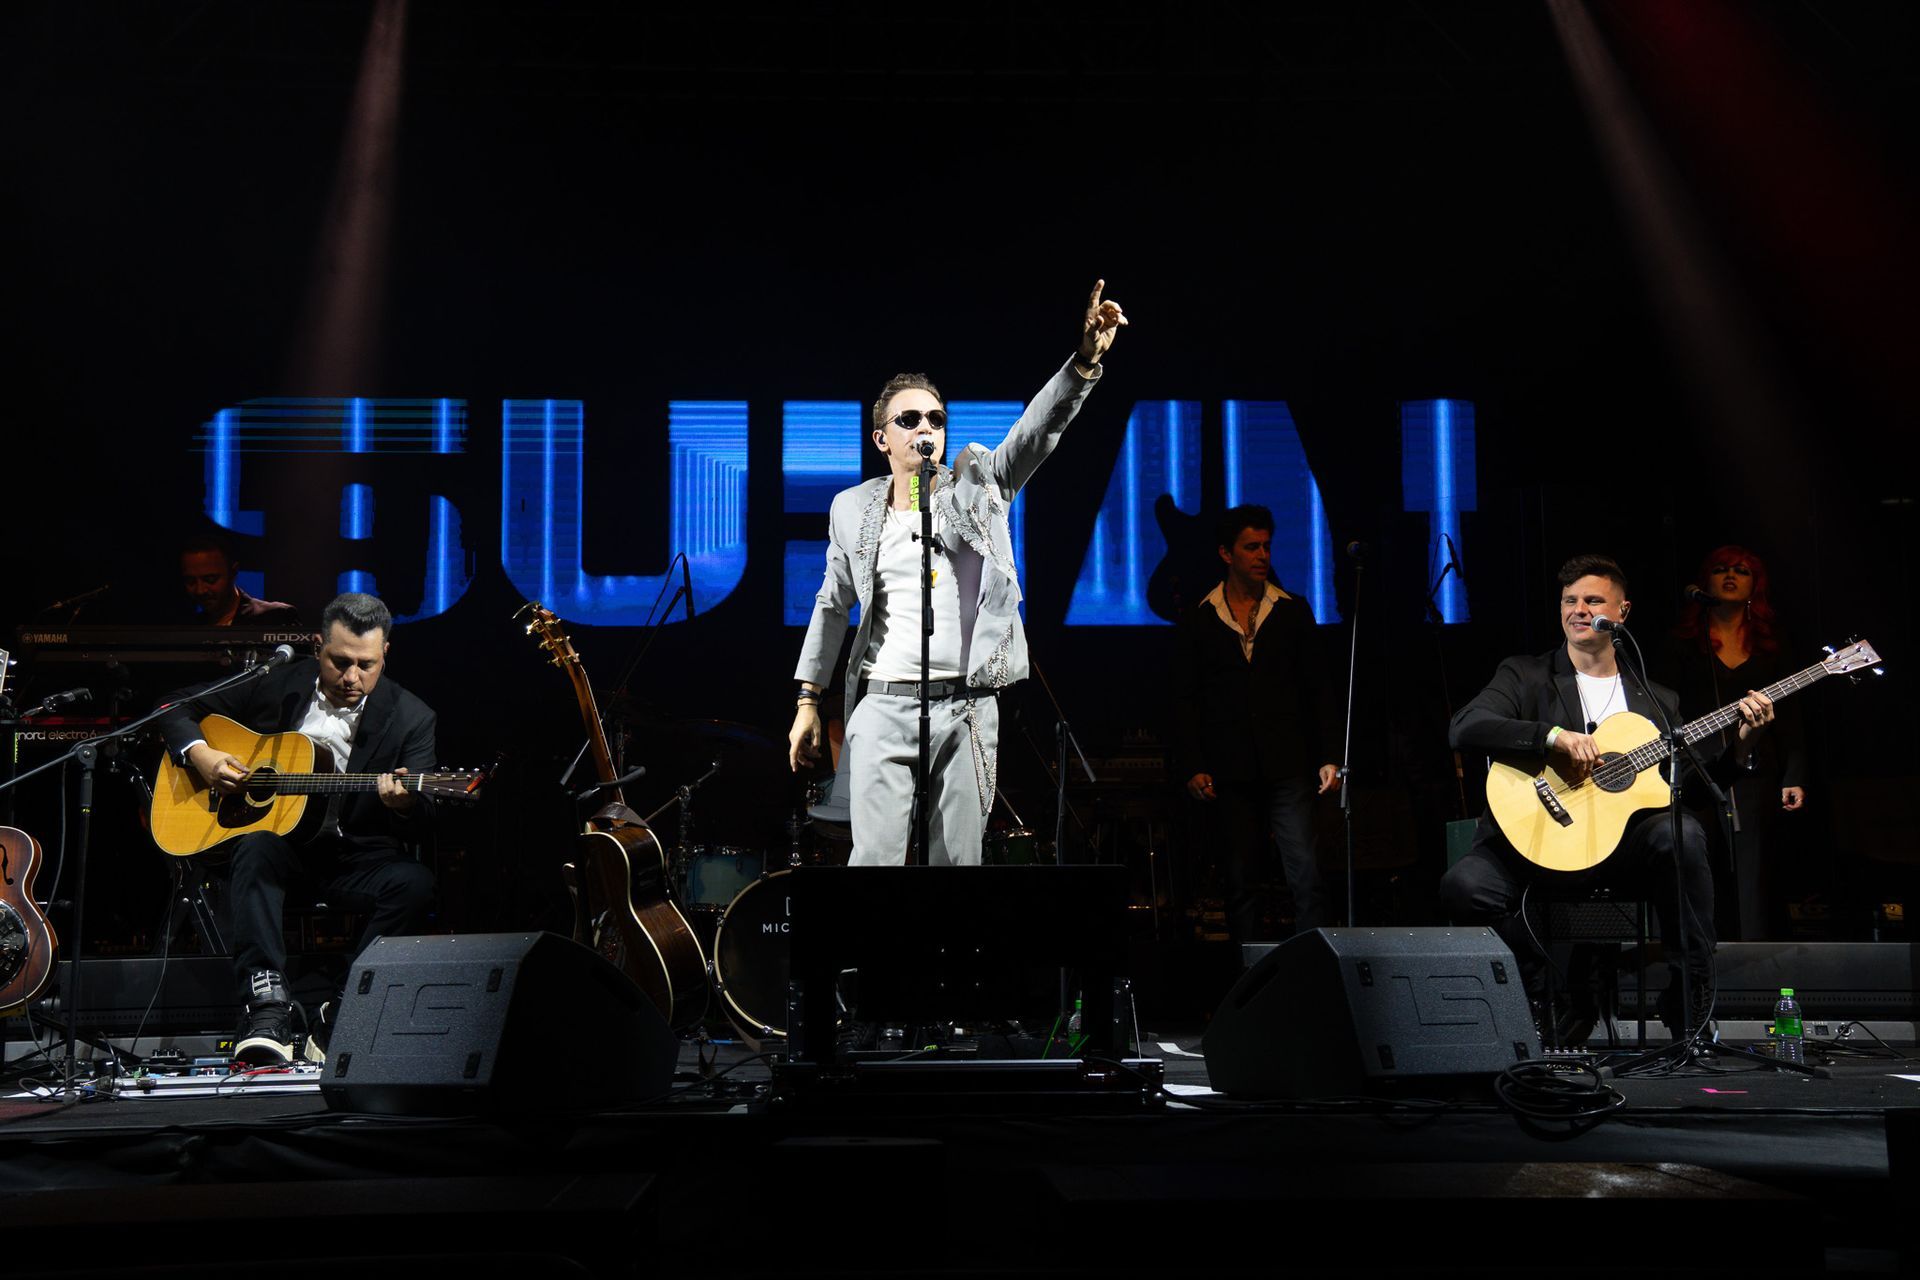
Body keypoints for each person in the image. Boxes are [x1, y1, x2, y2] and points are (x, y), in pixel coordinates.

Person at [787, 279, 1128, 864]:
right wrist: (808, 702)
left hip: (965, 707)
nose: (926, 428)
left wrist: (1083, 365)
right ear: (881, 439)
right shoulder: (850, 508)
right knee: (873, 869)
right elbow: (830, 603)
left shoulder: (980, 484)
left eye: (936, 418)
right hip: (882, 704)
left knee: (959, 869)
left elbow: (1037, 433)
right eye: (910, 419)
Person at [1438, 554, 1777, 1038]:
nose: (1578, 609)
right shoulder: (1525, 675)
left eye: (1593, 600)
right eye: (1569, 600)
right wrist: (1552, 737)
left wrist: (1744, 742)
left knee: (1681, 832)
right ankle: (1548, 995)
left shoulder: (1657, 700)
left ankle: (1690, 999)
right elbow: (1464, 728)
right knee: (1464, 888)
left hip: (1619, 852)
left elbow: (1695, 786)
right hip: (1533, 842)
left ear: (1622, 612)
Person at [160, 592, 436, 1065]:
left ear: (386, 652)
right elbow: (171, 706)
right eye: (340, 661)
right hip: (278, 850)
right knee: (257, 845)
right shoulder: (277, 683)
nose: (352, 678)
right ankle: (267, 1004)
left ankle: (347, 1004)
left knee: (415, 884)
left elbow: (428, 813)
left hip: (353, 855)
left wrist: (407, 803)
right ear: (316, 647)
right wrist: (202, 756)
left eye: (366, 664)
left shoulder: (413, 717)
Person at [1170, 505, 1339, 946]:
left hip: (1288, 765)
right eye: (1251, 547)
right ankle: (1251, 986)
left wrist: (1329, 757)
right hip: (1230, 770)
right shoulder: (1200, 616)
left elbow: (1319, 688)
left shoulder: (1292, 611)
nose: (1262, 555)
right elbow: (1183, 699)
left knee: (1305, 875)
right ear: (1227, 553)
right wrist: (1193, 764)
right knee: (1240, 882)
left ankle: (1311, 976)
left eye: (1266, 546)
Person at [1668, 544, 1809, 940]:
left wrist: (1794, 774)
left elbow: (1792, 714)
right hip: (1698, 771)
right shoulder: (1683, 642)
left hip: (1757, 769)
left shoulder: (1771, 642)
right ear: (1706, 579)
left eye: (1743, 571)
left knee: (1757, 867)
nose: (1731, 575)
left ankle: (1760, 964)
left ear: (1755, 586)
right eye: (1722, 568)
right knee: (1704, 862)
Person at [179, 533, 302, 626]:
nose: (200, 590)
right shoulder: (185, 625)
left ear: (233, 572)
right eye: (191, 581)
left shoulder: (276, 617)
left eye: (210, 579)